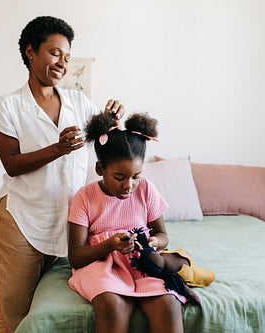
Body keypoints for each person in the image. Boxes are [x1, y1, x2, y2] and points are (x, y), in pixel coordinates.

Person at [0, 16, 125, 333]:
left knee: (55, 314)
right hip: (22, 222)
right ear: (31, 52)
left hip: (68, 224)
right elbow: (11, 163)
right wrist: (57, 149)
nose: (61, 63)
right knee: (16, 315)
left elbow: (105, 140)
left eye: (66, 56)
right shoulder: (8, 106)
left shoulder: (78, 101)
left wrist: (113, 121)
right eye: (54, 53)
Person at [67, 112, 214, 333]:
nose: (129, 185)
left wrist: (153, 243)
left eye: (136, 176)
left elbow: (163, 236)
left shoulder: (146, 189)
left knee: (168, 301)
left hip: (141, 262)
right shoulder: (84, 197)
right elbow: (75, 256)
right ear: (100, 169)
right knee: (111, 304)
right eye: (119, 177)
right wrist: (110, 245)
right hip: (101, 264)